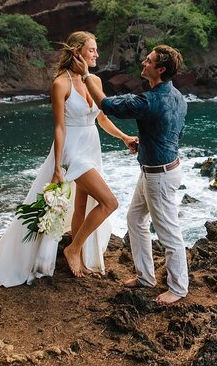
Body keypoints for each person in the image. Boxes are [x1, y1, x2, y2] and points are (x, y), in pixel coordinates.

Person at [0, 31, 137, 285]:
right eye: (92, 50)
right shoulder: (61, 83)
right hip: (72, 152)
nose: (96, 55)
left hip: (91, 146)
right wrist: (57, 167)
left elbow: (101, 118)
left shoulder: (95, 81)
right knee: (109, 202)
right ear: (77, 51)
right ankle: (73, 249)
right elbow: (59, 127)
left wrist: (123, 137)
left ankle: (75, 254)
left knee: (81, 205)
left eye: (96, 50)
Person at [71, 44, 188, 305]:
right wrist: (145, 145)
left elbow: (107, 105)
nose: (143, 63)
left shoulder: (149, 101)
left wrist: (86, 76)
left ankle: (179, 287)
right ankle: (145, 277)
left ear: (160, 69)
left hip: (159, 176)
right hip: (157, 170)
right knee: (135, 219)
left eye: (149, 61)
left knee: (168, 232)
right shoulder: (178, 97)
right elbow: (174, 133)